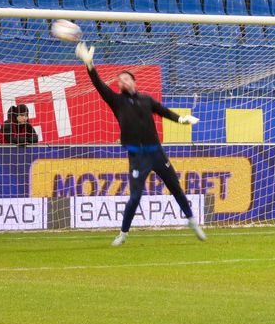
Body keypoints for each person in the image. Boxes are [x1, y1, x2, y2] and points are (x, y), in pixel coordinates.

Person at [75, 41, 206, 246]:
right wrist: (89, 65)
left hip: (156, 153)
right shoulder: (116, 101)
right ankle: (123, 234)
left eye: (126, 78)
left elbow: (164, 112)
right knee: (135, 197)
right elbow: (99, 85)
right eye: (120, 80)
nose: (122, 81)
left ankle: (192, 221)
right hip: (137, 157)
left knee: (176, 187)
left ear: (134, 81)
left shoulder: (146, 100)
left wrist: (182, 119)